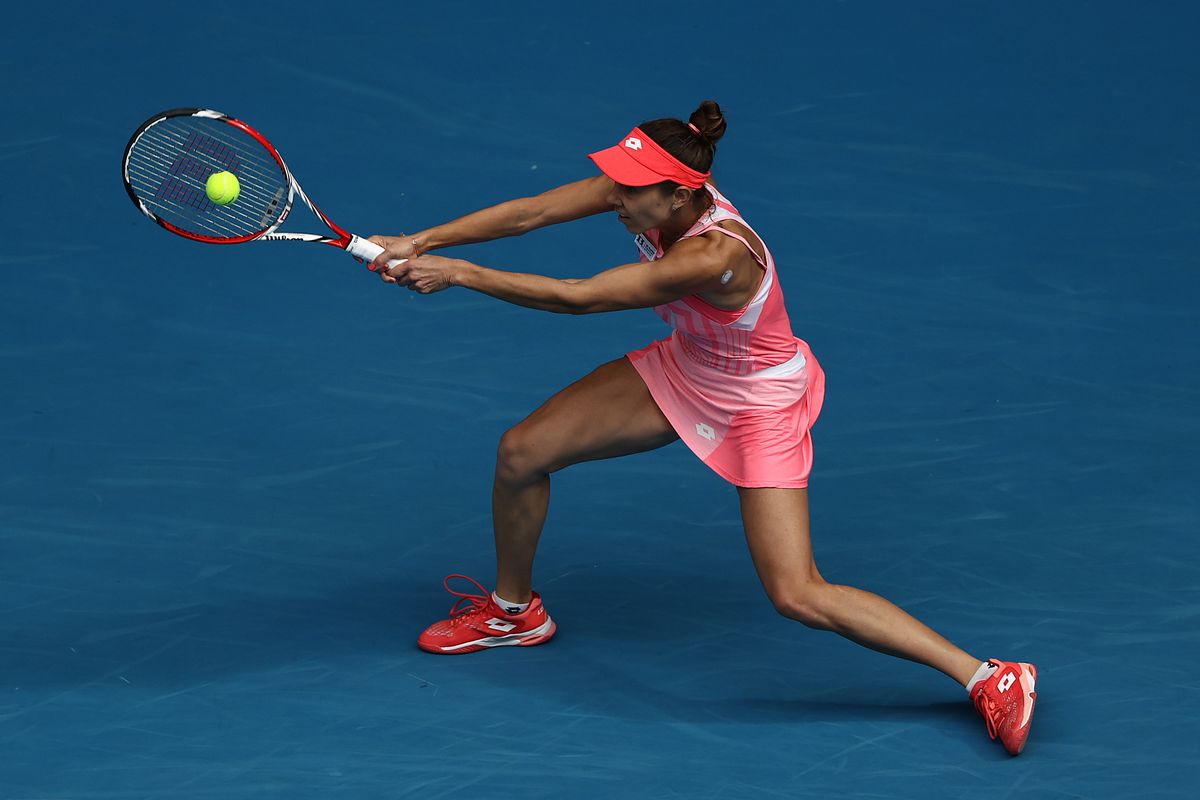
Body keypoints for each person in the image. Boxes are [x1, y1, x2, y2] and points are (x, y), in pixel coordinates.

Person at [366, 101, 1038, 756]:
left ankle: (989, 677)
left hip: (756, 399)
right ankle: (515, 614)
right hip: (688, 365)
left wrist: (459, 273)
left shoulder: (713, 256)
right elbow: (535, 211)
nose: (616, 198)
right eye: (618, 182)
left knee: (796, 592)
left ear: (678, 194)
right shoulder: (651, 189)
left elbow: (582, 297)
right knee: (521, 452)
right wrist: (425, 240)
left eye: (631, 190)